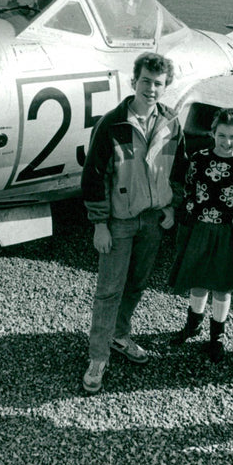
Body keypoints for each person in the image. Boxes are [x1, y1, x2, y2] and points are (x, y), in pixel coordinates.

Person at [80, 52, 188, 394]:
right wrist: (100, 224)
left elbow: (180, 170)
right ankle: (97, 357)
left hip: (153, 221)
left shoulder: (172, 124)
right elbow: (93, 177)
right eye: (145, 81)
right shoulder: (112, 123)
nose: (151, 89)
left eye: (158, 83)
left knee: (137, 284)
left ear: (165, 86)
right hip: (119, 222)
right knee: (109, 290)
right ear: (133, 82)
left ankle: (119, 335)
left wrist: (173, 206)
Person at [168, 108, 233, 363]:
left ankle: (217, 335)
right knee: (198, 278)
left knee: (223, 284)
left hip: (229, 231)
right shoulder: (199, 159)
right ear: (213, 133)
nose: (226, 142)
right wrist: (194, 213)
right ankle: (193, 324)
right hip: (201, 228)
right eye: (221, 135)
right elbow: (189, 188)